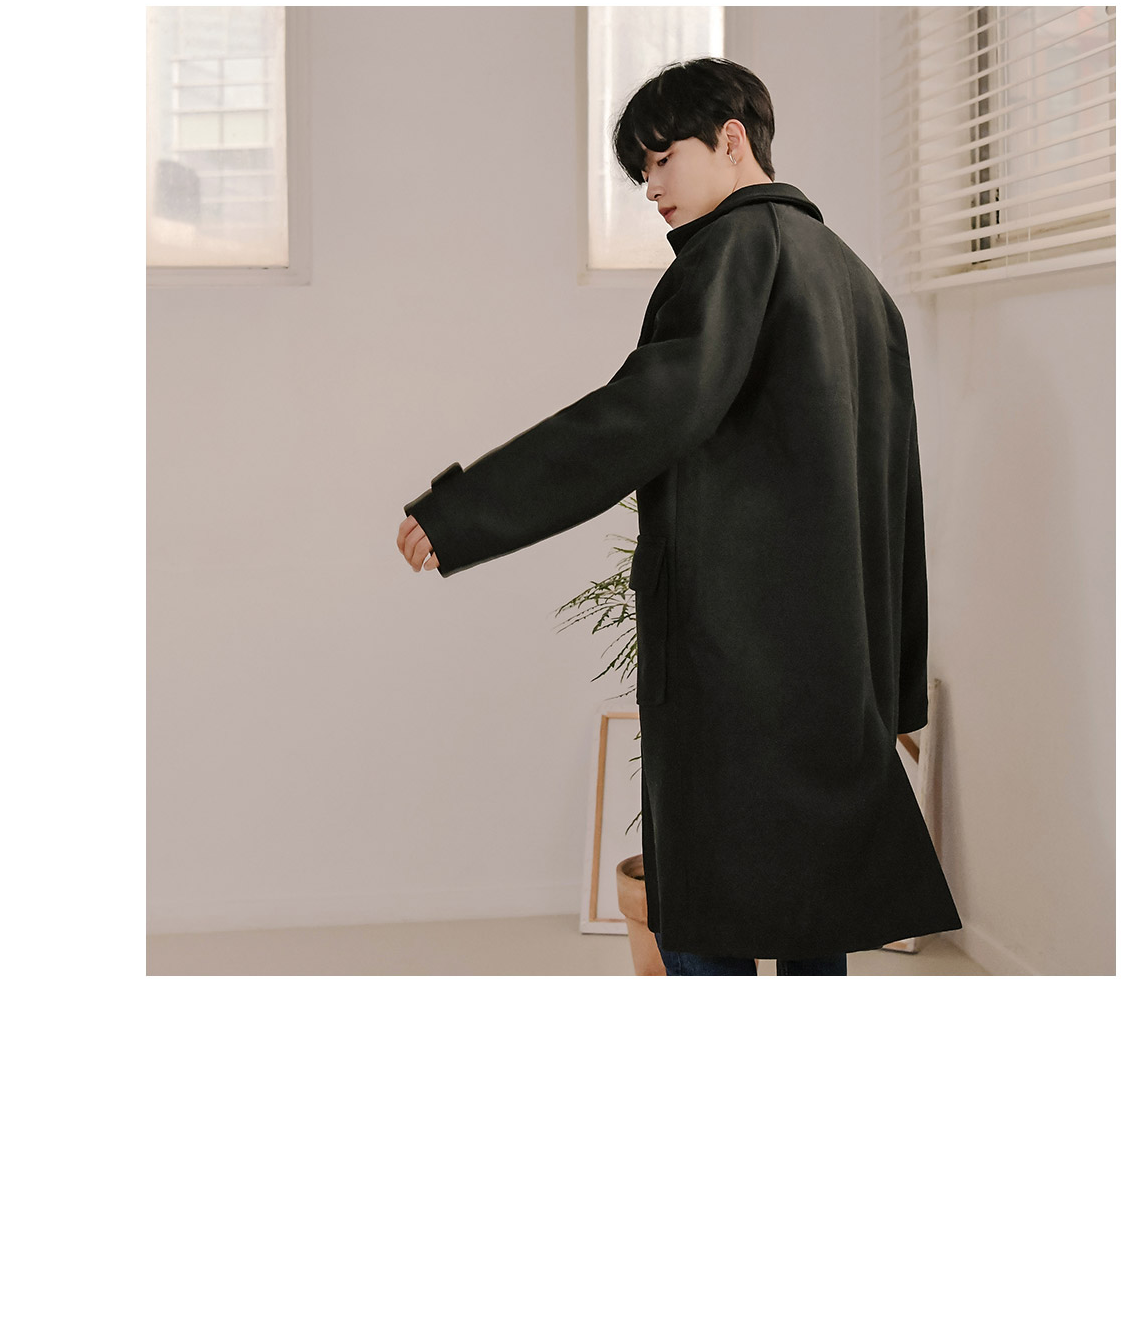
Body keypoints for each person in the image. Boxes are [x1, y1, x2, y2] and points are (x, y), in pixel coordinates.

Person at [397, 57, 961, 975]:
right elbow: (898, 496)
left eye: (664, 159)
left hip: (735, 653)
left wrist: (468, 510)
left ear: (732, 140)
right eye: (642, 171)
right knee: (810, 915)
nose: (652, 188)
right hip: (834, 663)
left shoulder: (735, 252)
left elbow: (641, 415)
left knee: (706, 912)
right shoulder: (860, 283)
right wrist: (892, 686)